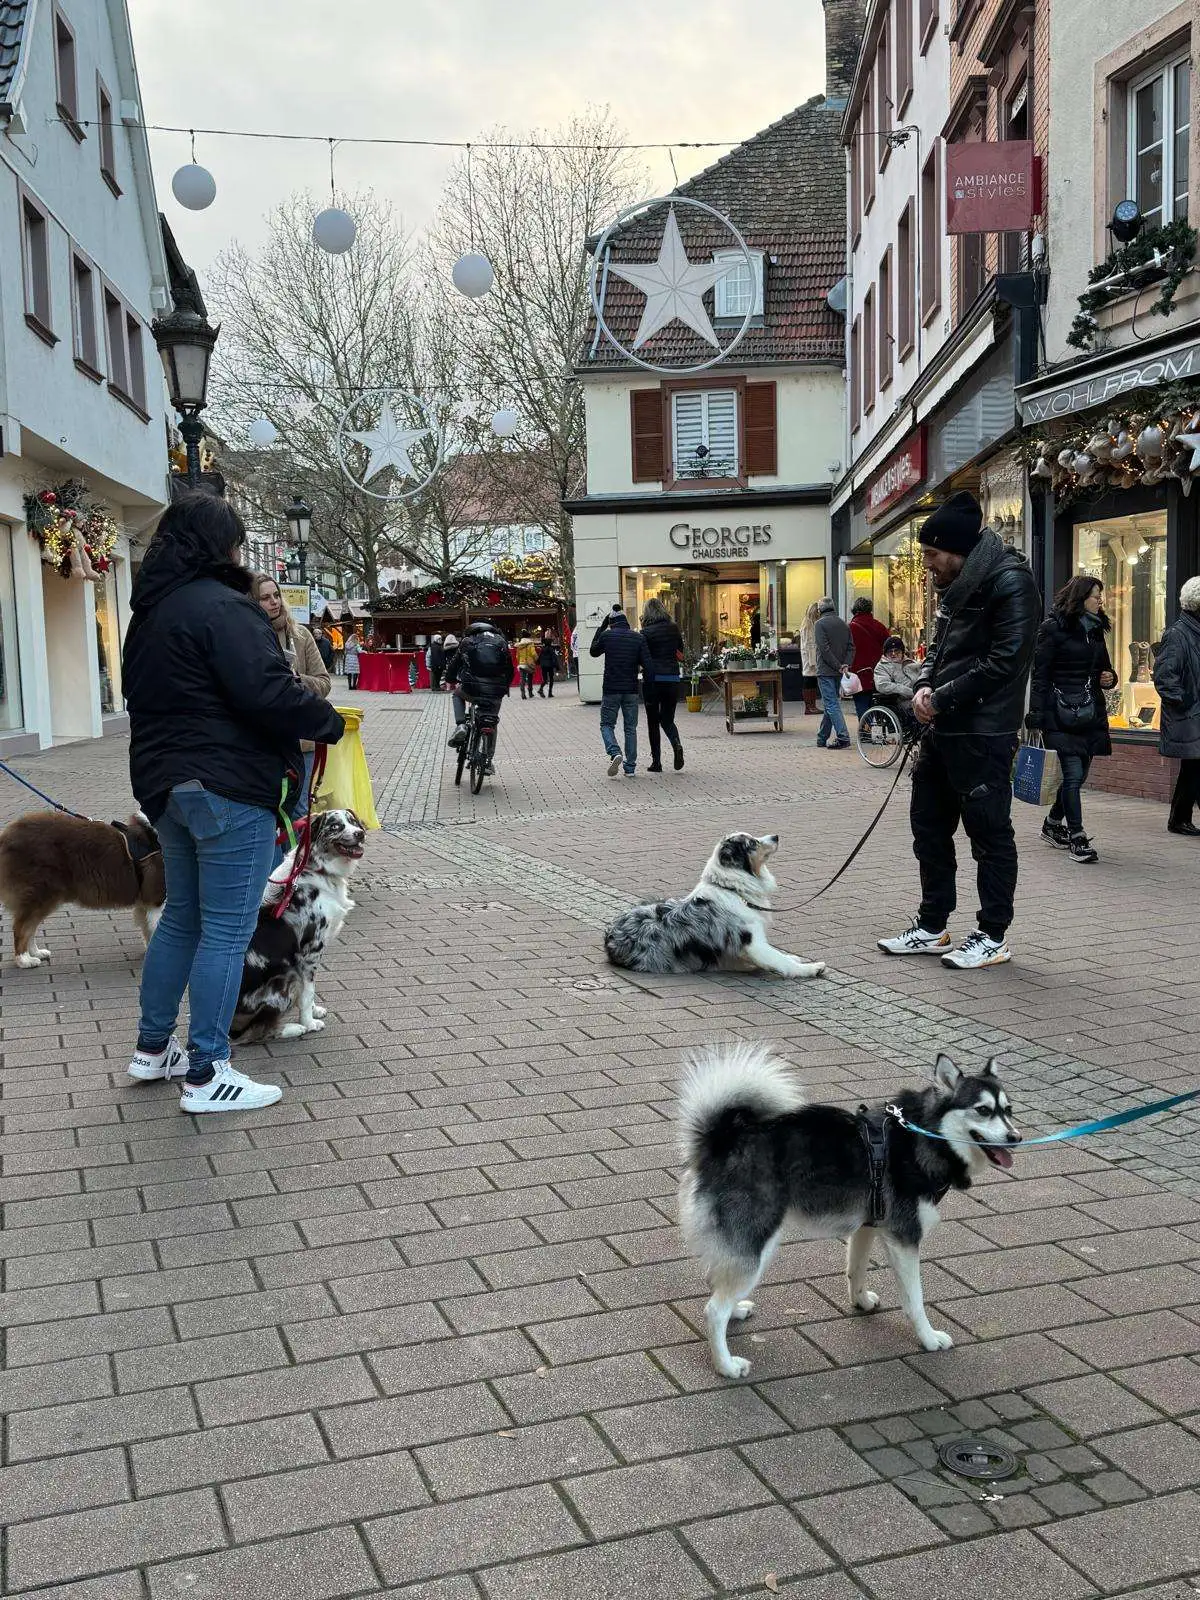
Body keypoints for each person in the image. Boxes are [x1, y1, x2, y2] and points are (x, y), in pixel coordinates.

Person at [122, 493, 344, 1113]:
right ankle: (208, 1071)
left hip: (165, 785)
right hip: (227, 785)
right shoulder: (226, 609)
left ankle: (152, 1049)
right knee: (226, 927)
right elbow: (267, 692)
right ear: (221, 547)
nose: (241, 555)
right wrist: (326, 720)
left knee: (184, 919)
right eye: (237, 544)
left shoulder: (150, 613)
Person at [878, 490, 1039, 970]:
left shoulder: (1009, 582)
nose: (926, 565)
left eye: (931, 554)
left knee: (989, 835)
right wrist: (924, 685)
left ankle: (992, 936)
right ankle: (932, 926)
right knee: (928, 829)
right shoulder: (954, 586)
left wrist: (940, 696)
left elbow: (1006, 662)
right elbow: (937, 650)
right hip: (943, 728)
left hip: (984, 733)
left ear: (958, 550)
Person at [1029, 576, 1117, 864]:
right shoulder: (1052, 628)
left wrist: (1109, 678)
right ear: (1080, 599)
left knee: (1078, 777)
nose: (1100, 600)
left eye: (1100, 596)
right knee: (1073, 775)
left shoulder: (1095, 630)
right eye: (1095, 596)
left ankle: (1053, 824)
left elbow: (1104, 670)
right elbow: (1040, 676)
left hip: (1089, 712)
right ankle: (1077, 836)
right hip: (1060, 713)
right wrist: (1037, 715)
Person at [253, 574, 332, 821]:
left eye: (276, 595)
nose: (274, 602)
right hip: (264, 741)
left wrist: (297, 678)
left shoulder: (301, 636)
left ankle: (296, 861)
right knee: (268, 810)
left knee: (298, 810)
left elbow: (324, 682)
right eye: (265, 598)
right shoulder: (246, 637)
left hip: (301, 741)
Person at [1153, 574, 1200, 836]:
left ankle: (1179, 818)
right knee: (1193, 768)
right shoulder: (1178, 634)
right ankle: (1179, 819)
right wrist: (1184, 702)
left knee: (1194, 769)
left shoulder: (1195, 633)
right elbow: (1165, 676)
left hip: (1194, 713)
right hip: (1189, 714)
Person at [590, 603, 655, 777]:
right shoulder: (638, 638)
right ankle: (630, 767)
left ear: (611, 623)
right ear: (626, 622)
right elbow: (648, 665)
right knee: (630, 728)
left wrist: (601, 627)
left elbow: (593, 651)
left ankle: (614, 752)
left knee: (606, 724)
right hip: (631, 690)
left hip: (611, 688)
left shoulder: (607, 636)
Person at [445, 620, 513, 770]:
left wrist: (450, 679)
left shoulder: (467, 641)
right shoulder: (501, 642)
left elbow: (455, 664)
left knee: (457, 695)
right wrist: (504, 687)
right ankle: (488, 761)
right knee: (491, 721)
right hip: (496, 692)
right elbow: (510, 669)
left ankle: (461, 725)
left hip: (471, 689)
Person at [640, 596, 686, 772]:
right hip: (672, 679)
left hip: (653, 681)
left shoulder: (645, 632)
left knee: (653, 722)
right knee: (667, 719)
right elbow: (680, 652)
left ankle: (656, 762)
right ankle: (676, 744)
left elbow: (642, 657)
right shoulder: (673, 628)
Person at [814, 596, 854, 749]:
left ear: (820, 610)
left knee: (831, 704)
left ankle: (843, 736)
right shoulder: (844, 624)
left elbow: (824, 649)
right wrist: (845, 665)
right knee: (831, 704)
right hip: (839, 671)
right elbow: (851, 647)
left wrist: (838, 665)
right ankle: (822, 737)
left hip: (826, 670)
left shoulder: (819, 624)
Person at [849, 597, 890, 720]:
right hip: (878, 671)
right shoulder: (879, 626)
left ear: (855, 610)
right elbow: (889, 646)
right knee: (876, 704)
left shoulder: (851, 627)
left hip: (858, 672)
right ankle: (874, 730)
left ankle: (865, 732)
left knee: (861, 705)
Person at [874, 635, 920, 714]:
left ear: (902, 652)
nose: (893, 654)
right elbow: (882, 685)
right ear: (885, 653)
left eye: (897, 651)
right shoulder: (881, 667)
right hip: (900, 700)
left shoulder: (913, 663)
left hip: (919, 695)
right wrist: (909, 692)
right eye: (890, 651)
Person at [799, 600, 820, 715]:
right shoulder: (808, 624)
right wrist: (813, 658)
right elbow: (808, 643)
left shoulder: (810, 623)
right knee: (809, 679)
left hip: (811, 654)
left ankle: (812, 705)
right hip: (810, 655)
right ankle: (809, 706)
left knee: (811, 680)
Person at [514, 631, 537, 699]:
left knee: (522, 679)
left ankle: (523, 693)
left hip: (522, 663)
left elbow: (517, 656)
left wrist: (520, 661)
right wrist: (536, 659)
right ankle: (530, 693)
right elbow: (533, 653)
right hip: (529, 663)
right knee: (530, 678)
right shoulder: (530, 644)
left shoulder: (519, 645)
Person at [537, 628, 559, 697]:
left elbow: (539, 658)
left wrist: (538, 663)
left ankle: (541, 689)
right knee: (551, 679)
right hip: (550, 666)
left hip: (543, 666)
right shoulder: (551, 649)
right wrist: (557, 667)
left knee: (545, 680)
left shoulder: (542, 650)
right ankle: (550, 693)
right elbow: (554, 658)